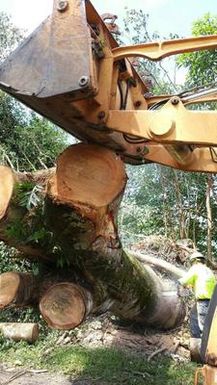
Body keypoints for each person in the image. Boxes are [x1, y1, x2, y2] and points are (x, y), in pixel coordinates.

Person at [178, 251, 216, 337]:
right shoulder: (208, 270)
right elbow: (205, 283)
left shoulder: (195, 268)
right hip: (213, 302)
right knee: (195, 315)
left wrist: (178, 283)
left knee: (204, 327)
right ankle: (196, 339)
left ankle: (205, 348)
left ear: (194, 261)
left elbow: (184, 281)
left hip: (203, 301)